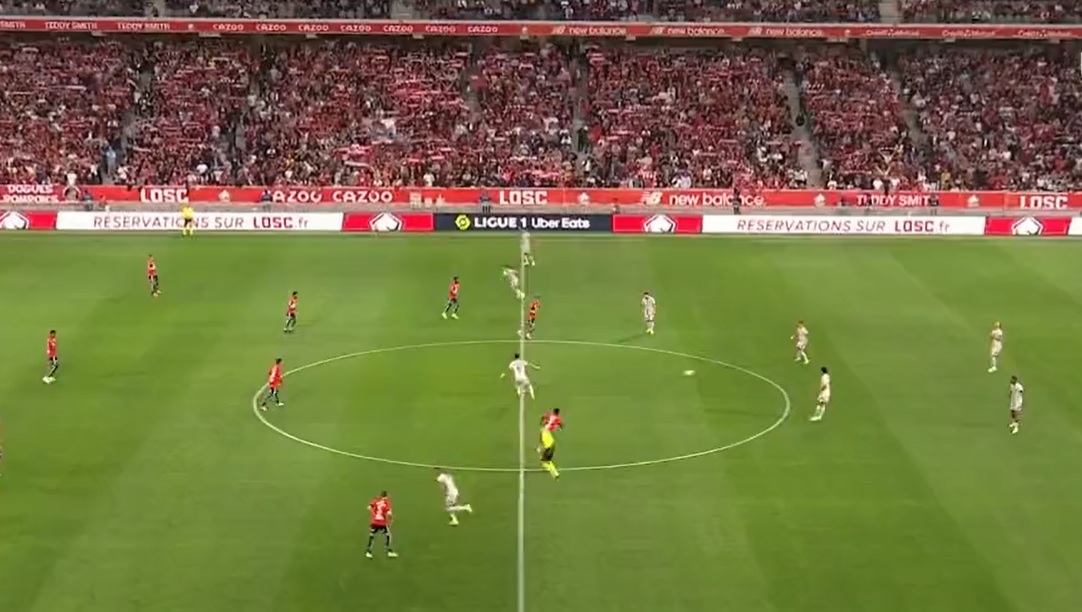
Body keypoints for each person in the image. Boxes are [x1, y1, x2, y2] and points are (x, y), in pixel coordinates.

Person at [366, 491, 398, 558]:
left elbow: (368, 507)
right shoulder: (386, 502)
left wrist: (374, 514)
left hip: (374, 522)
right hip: (382, 523)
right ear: (386, 496)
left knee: (372, 536)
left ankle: (368, 552)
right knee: (388, 536)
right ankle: (389, 551)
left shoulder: (376, 500)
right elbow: (389, 513)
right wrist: (392, 518)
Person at [538, 408, 562, 479]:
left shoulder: (543, 431)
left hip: (549, 447)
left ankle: (553, 471)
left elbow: (543, 442)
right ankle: (554, 472)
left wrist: (541, 449)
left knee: (544, 461)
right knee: (546, 460)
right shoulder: (547, 431)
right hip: (552, 445)